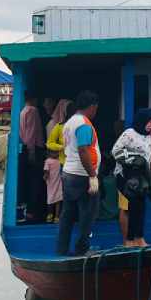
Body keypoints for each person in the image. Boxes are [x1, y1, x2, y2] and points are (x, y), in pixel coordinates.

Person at [111, 108, 151, 248]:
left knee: (140, 208)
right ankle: (129, 240)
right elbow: (115, 151)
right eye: (150, 122)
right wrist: (134, 159)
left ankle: (139, 238)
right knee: (129, 207)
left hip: (142, 178)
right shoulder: (129, 134)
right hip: (126, 177)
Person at [56, 90, 102, 256]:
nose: (96, 111)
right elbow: (83, 150)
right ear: (92, 106)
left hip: (68, 173)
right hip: (82, 176)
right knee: (87, 214)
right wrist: (92, 176)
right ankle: (82, 250)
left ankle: (61, 249)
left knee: (67, 214)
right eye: (96, 108)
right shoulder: (83, 124)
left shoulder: (69, 122)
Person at [19, 92, 47, 223]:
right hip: (34, 149)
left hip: (27, 148)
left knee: (30, 181)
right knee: (36, 182)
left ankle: (28, 211)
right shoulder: (33, 111)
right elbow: (31, 133)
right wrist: (32, 152)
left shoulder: (23, 111)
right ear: (33, 98)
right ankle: (33, 212)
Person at [43, 98, 73, 223]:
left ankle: (60, 216)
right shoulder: (57, 126)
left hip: (68, 164)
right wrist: (63, 147)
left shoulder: (77, 126)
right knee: (62, 192)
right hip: (63, 164)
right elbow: (49, 143)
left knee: (62, 192)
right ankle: (58, 216)